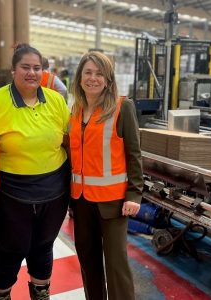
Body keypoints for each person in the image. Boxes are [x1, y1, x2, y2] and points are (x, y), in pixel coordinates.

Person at [0, 44, 70, 300]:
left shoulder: (56, 101)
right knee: (9, 249)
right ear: (13, 70)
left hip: (54, 192)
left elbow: (68, 140)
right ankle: (1, 294)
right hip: (11, 194)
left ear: (44, 71)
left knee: (43, 246)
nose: (32, 73)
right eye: (25, 67)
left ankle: (41, 293)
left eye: (37, 68)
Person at [68, 51, 144, 300]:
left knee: (116, 265)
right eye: (88, 72)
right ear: (79, 77)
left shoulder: (123, 107)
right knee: (88, 264)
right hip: (80, 202)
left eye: (99, 74)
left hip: (113, 204)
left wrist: (134, 194)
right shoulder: (76, 111)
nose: (93, 78)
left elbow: (134, 154)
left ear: (108, 79)